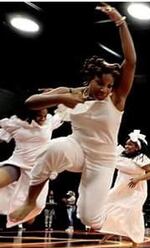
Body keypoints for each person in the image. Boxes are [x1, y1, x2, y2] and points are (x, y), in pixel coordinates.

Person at [9, 4, 137, 231]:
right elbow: (30, 103)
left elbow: (131, 61)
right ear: (90, 78)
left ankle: (114, 222)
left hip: (102, 159)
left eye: (109, 86)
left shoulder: (116, 99)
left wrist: (120, 22)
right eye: (100, 83)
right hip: (77, 147)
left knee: (88, 218)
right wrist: (63, 99)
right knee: (52, 149)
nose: (104, 90)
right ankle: (30, 201)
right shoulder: (72, 93)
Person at [0, 107, 63, 227]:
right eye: (40, 116)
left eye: (45, 115)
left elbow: (64, 111)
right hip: (17, 164)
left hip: (38, 170)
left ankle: (23, 218)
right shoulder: (16, 124)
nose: (43, 119)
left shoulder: (49, 122)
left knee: (31, 216)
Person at [100, 130, 150, 248]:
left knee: (133, 216)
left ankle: (134, 247)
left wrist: (138, 179)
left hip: (136, 191)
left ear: (137, 147)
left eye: (130, 144)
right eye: (126, 144)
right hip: (120, 188)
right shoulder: (119, 155)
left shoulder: (141, 158)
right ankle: (111, 231)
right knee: (109, 207)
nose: (127, 146)